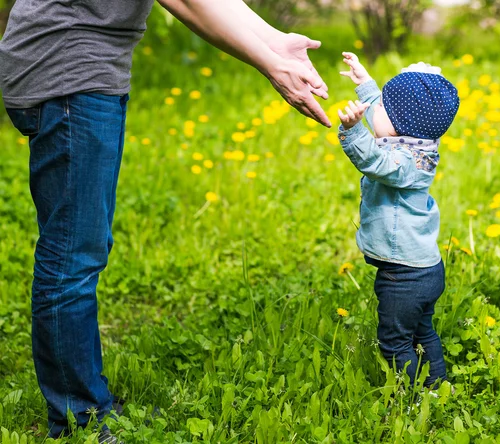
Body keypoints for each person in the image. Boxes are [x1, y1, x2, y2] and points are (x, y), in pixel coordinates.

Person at [0, 0, 331, 440]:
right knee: (72, 255)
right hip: (65, 68)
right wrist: (269, 62)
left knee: (81, 247)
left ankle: (79, 402)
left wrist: (274, 40)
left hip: (85, 69)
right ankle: (79, 418)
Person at [336, 52, 459, 388]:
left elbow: (374, 159)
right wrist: (365, 82)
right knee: (423, 331)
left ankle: (411, 399)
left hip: (403, 277)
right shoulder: (418, 139)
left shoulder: (406, 163)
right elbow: (386, 112)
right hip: (425, 270)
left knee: (395, 342)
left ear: (400, 126)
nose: (376, 111)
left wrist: (351, 131)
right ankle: (437, 387)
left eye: (383, 109)